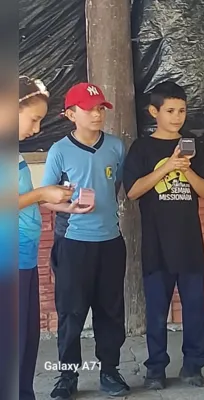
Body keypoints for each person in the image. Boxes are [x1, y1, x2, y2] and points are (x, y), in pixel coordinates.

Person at [123, 82, 204, 388]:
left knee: (194, 308)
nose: (177, 117)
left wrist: (186, 169)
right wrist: (166, 168)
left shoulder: (193, 146)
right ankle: (155, 369)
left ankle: (193, 365)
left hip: (189, 242)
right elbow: (133, 191)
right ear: (154, 111)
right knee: (157, 310)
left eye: (182, 110)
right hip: (156, 244)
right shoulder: (142, 148)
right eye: (171, 111)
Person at [41, 82, 130, 398]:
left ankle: (109, 371)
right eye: (89, 109)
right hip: (73, 243)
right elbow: (45, 198)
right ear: (70, 114)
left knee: (110, 311)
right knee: (71, 312)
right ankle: (67, 376)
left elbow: (116, 186)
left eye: (100, 108)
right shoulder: (59, 151)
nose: (97, 114)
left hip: (110, 242)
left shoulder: (116, 147)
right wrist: (68, 206)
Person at [17, 76, 74, 400]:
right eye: (33, 119)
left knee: (26, 340)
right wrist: (41, 192)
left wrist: (62, 204)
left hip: (24, 258)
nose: (37, 129)